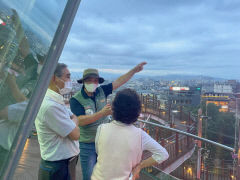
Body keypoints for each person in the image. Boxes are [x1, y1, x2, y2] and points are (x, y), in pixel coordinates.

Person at [70, 62, 147, 180]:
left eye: (95, 81)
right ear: (84, 81)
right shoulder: (76, 99)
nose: (93, 83)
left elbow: (119, 82)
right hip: (88, 143)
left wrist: (134, 70)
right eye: (90, 80)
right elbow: (80, 121)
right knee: (89, 175)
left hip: (105, 140)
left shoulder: (101, 91)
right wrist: (101, 113)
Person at [91, 88, 169, 180]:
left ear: (114, 108)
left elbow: (99, 152)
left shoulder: (101, 128)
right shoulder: (140, 135)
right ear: (136, 111)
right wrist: (139, 166)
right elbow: (163, 154)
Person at [35, 63, 80, 180]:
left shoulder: (55, 100)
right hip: (57, 168)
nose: (70, 81)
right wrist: (74, 124)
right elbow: (76, 134)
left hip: (63, 165)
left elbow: (74, 117)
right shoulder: (51, 106)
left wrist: (73, 122)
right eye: (68, 77)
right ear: (53, 78)